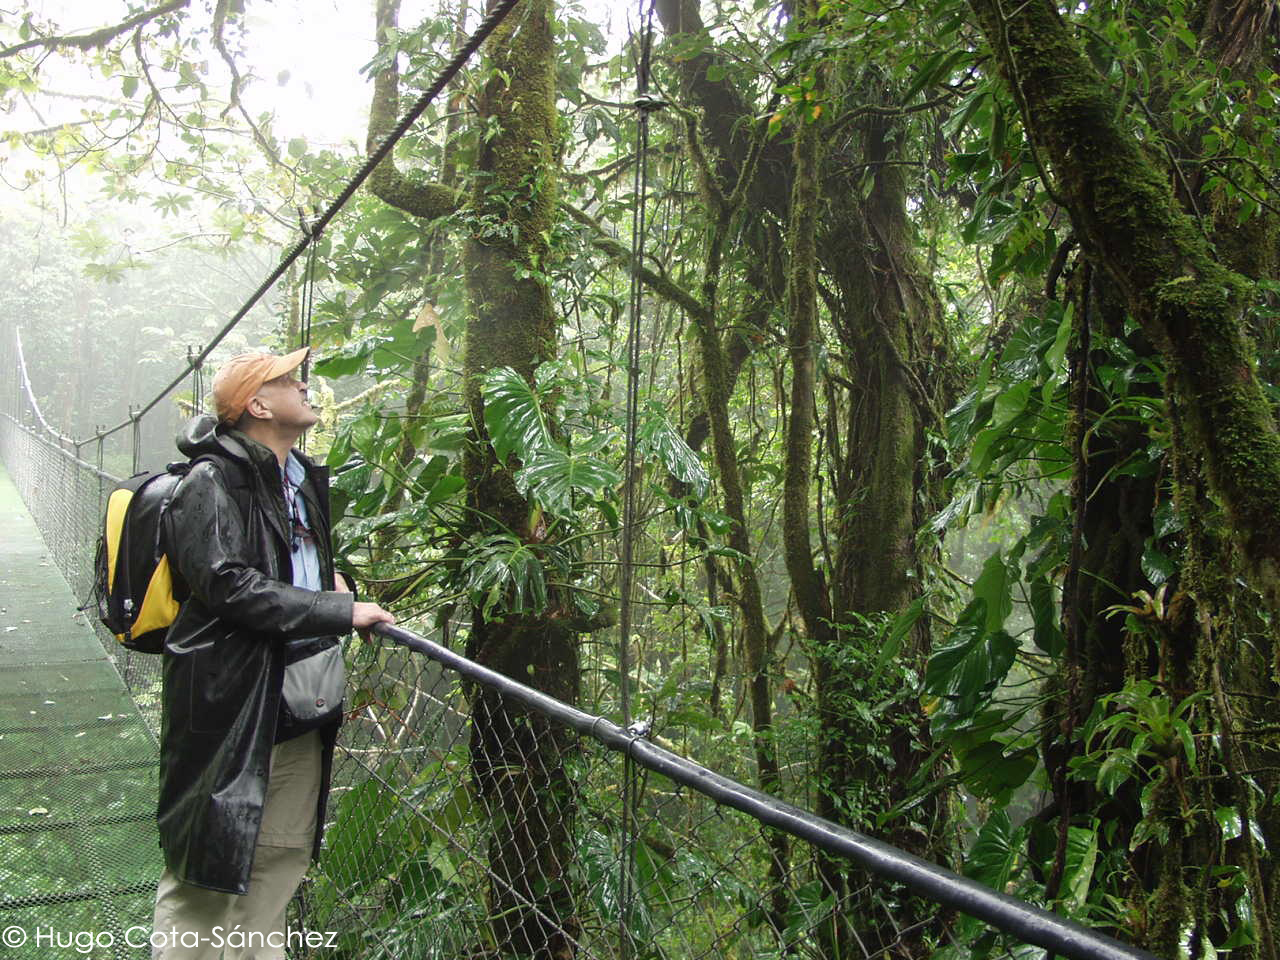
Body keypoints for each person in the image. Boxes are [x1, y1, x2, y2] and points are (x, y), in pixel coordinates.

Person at [150, 346, 394, 959]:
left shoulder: (303, 476)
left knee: (279, 856)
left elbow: (287, 564)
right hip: (232, 696)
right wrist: (338, 611)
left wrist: (329, 586)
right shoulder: (211, 479)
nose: (305, 385)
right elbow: (227, 583)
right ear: (258, 404)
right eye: (288, 379)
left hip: (301, 691)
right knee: (207, 871)